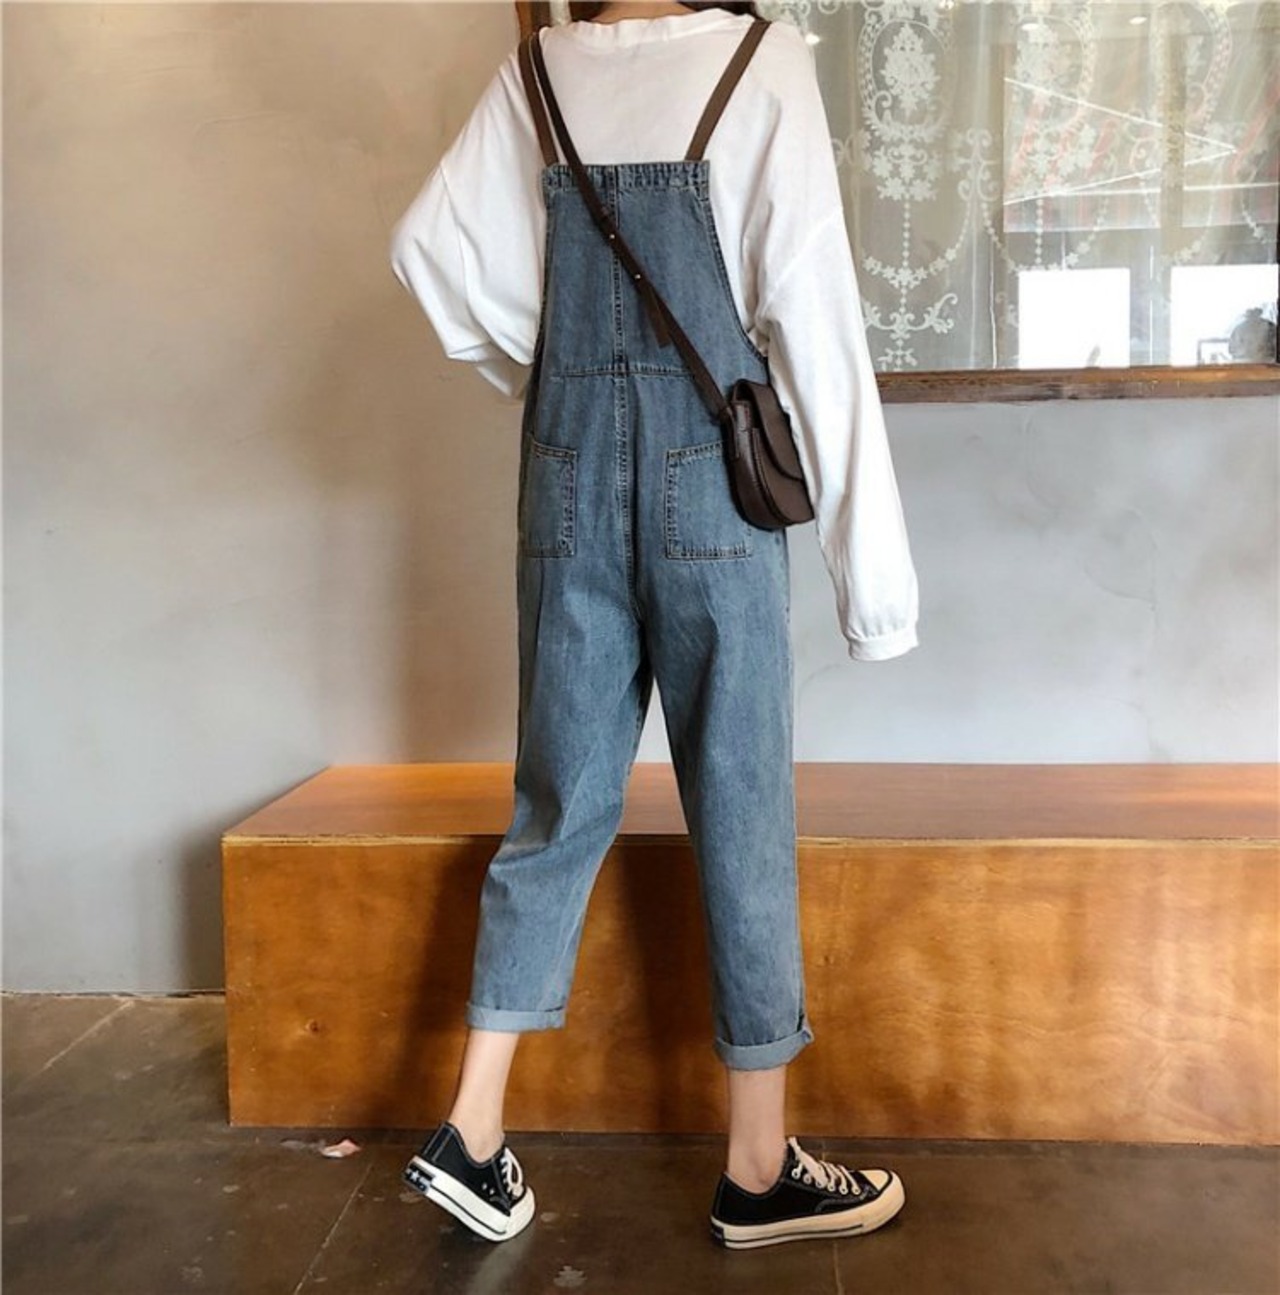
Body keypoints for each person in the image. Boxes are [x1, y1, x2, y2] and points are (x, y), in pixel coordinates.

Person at [388, 0, 918, 1250]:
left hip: (562, 475)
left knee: (555, 800)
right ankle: (756, 1166)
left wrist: (543, 367)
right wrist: (873, 585)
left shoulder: (537, 71)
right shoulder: (758, 60)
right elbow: (815, 318)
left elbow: (427, 248)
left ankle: (470, 1128)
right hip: (708, 487)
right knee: (739, 803)